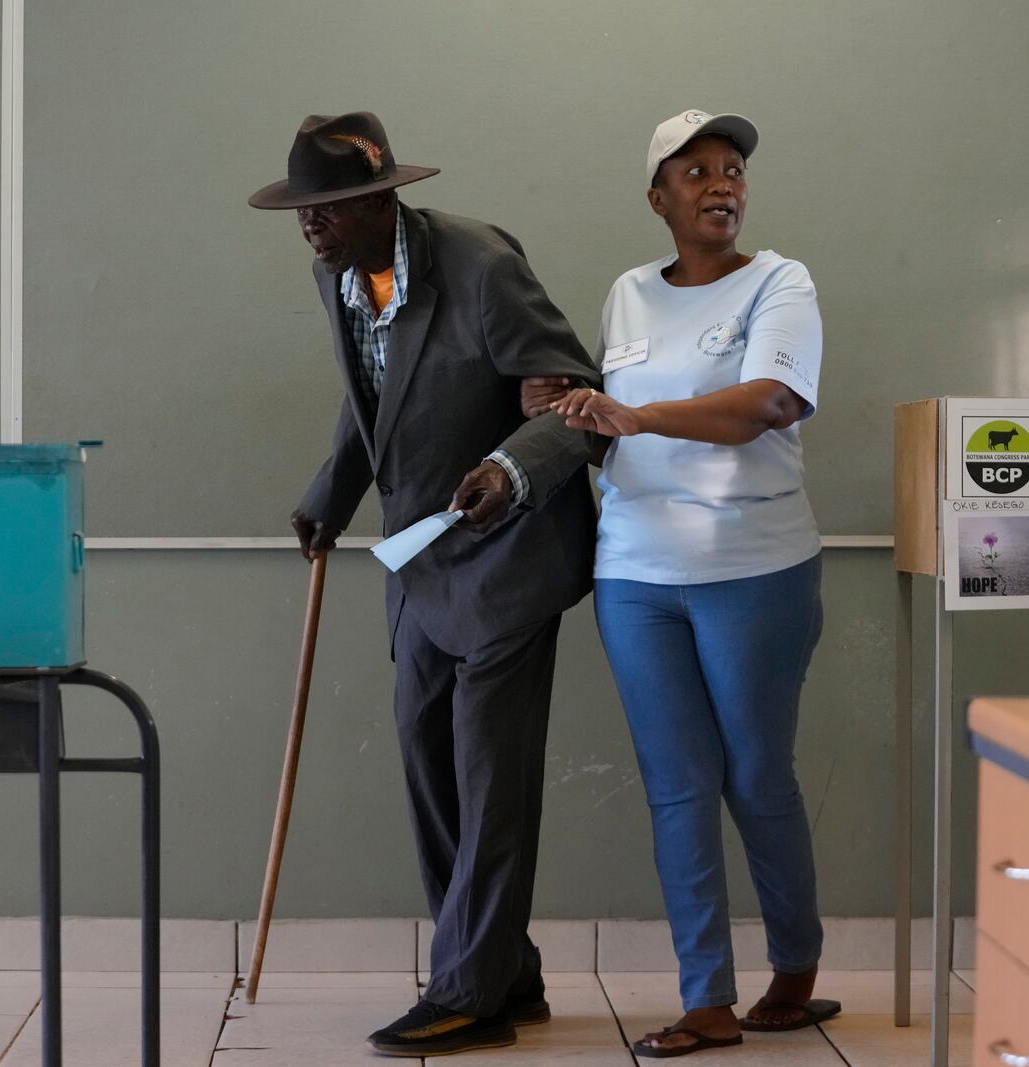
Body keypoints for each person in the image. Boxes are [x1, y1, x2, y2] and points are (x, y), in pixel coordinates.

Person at [248, 112, 599, 1057]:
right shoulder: (335, 276)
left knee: (490, 780)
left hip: (509, 559)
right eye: (300, 210)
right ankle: (504, 972)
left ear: (377, 195)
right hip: (420, 569)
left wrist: (512, 470)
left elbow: (576, 396)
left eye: (324, 207)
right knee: (430, 770)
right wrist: (331, 495)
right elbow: (376, 397)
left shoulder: (479, 264)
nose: (308, 226)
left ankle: (466, 989)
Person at [524, 109, 837, 1057]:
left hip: (755, 566)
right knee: (677, 786)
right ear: (658, 197)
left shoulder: (782, 281)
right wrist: (573, 410)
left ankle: (796, 966)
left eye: (732, 168)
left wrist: (637, 414)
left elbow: (771, 402)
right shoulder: (627, 292)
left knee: (754, 776)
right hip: (634, 573)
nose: (720, 184)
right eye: (694, 171)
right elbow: (614, 425)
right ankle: (706, 999)